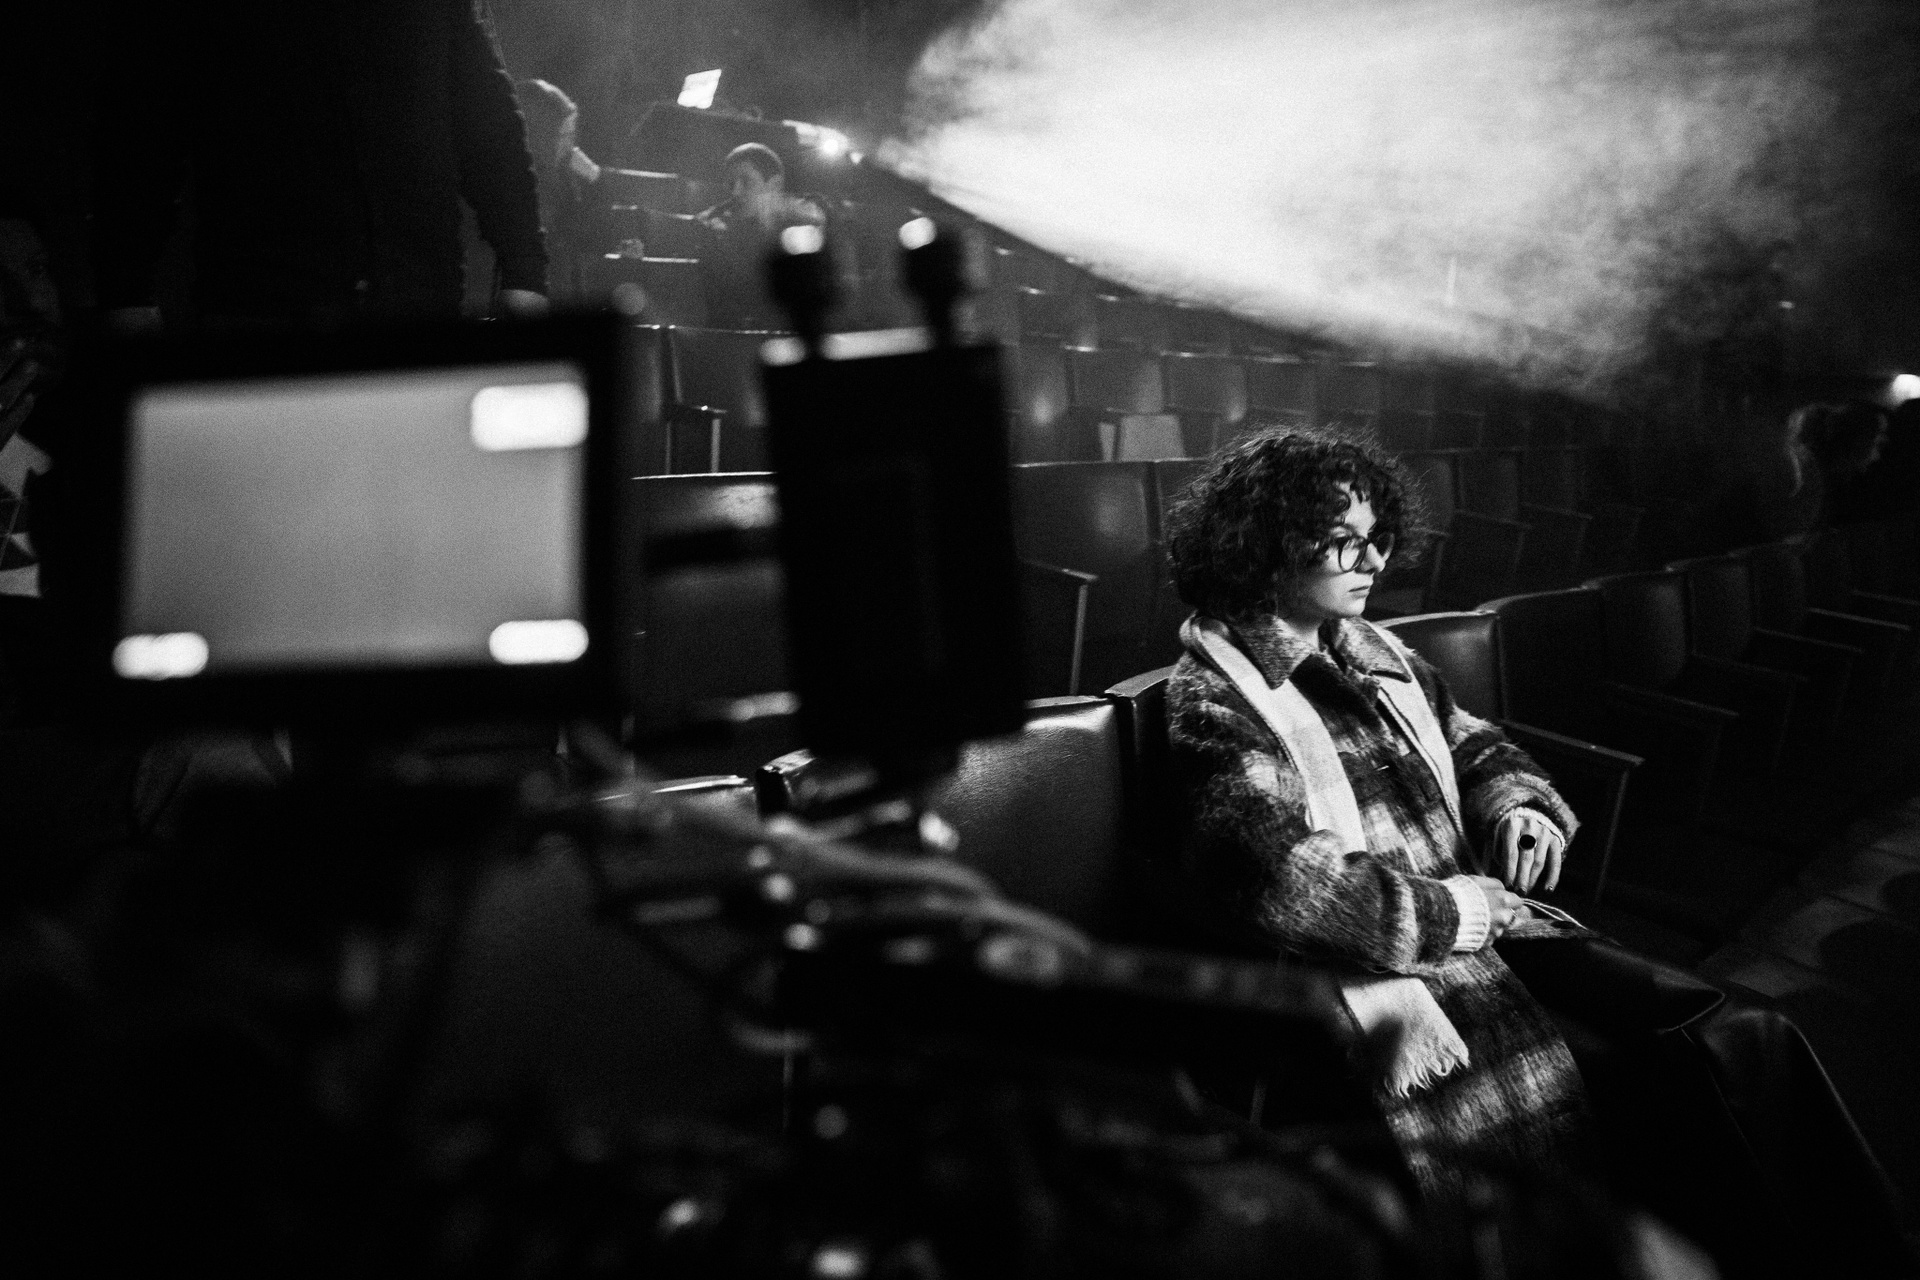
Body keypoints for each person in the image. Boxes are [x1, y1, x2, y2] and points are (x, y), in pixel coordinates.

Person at [1160, 427, 1590, 1202]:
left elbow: (1474, 743)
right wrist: (1453, 913)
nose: (1374, 562)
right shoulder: (1216, 693)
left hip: (1492, 930)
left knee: (1704, 1038)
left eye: (1378, 538)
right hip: (1388, 976)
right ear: (1269, 546)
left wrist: (1518, 806)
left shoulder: (1374, 649)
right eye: (1343, 541)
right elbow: (1277, 877)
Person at [91, 0, 550, 331]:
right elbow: (141, 134)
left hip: (410, 301)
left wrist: (525, 266)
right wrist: (125, 288)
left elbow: (486, 122)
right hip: (264, 306)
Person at [695, 143, 826, 327]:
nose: (735, 192)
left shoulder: (802, 223)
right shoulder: (714, 225)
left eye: (746, 182)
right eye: (731, 183)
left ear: (775, 184)